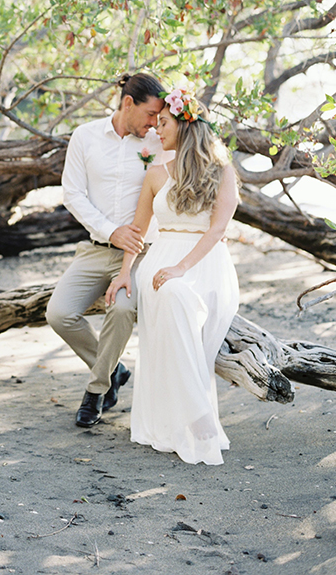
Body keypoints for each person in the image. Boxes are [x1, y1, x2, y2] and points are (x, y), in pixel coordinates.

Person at [105, 87, 240, 465]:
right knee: (170, 295)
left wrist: (182, 268)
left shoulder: (222, 171)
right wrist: (124, 274)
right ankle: (198, 417)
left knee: (178, 293)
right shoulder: (155, 172)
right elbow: (136, 231)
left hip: (205, 264)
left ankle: (195, 416)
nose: (156, 129)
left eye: (163, 123)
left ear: (185, 126)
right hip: (160, 261)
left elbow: (216, 231)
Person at [46, 72, 166, 428]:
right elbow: (73, 195)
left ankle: (97, 389)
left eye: (159, 117)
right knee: (59, 314)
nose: (153, 123)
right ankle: (115, 369)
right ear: (127, 103)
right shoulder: (85, 136)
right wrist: (110, 231)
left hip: (140, 254)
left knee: (121, 308)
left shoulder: (158, 142)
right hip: (96, 248)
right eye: (149, 114)